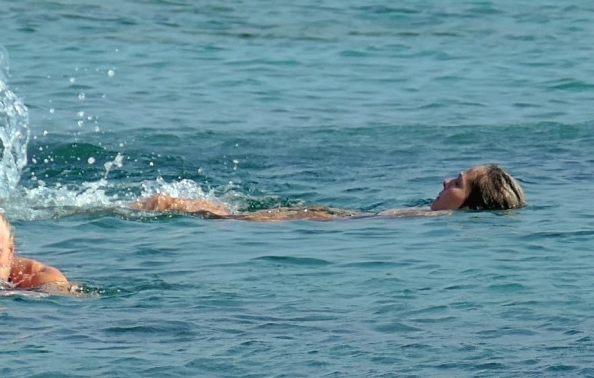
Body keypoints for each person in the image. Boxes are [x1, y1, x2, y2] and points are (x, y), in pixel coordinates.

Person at [131, 164, 525, 221]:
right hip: (343, 219)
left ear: (472, 203)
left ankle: (179, 207)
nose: (445, 182)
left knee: (227, 218)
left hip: (335, 225)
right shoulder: (425, 216)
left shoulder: (429, 218)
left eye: (457, 183)